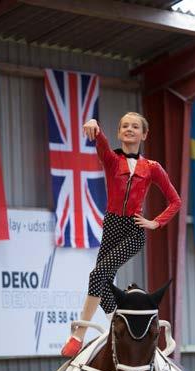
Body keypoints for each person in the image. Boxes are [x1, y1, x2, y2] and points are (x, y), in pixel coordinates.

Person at [61, 112, 181, 357]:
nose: (129, 129)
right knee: (102, 283)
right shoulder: (112, 159)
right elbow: (100, 141)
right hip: (112, 225)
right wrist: (95, 124)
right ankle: (119, 322)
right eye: (124, 125)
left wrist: (154, 223)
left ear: (144, 134)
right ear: (119, 132)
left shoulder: (152, 168)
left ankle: (78, 336)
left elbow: (175, 201)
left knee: (98, 273)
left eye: (135, 126)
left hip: (134, 229)